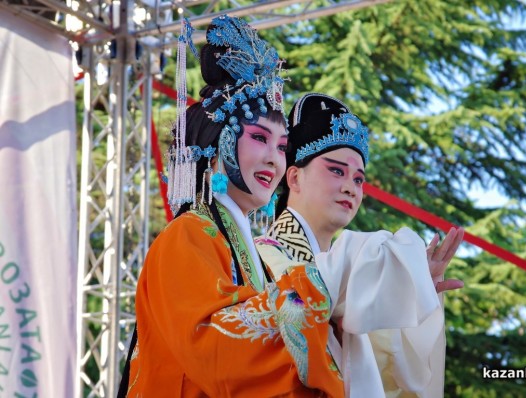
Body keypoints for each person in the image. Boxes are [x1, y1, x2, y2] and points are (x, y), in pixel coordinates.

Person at [124, 16, 346, 396]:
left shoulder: (255, 255)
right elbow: (217, 345)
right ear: (216, 142)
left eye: (281, 146)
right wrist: (327, 285)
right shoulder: (187, 235)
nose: (275, 160)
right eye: (259, 137)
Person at [256, 93, 464, 397]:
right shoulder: (261, 256)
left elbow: (386, 378)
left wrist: (411, 294)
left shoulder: (355, 282)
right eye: (337, 171)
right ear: (295, 177)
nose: (349, 187)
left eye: (358, 179)